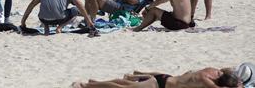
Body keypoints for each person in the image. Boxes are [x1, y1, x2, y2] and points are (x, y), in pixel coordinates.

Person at [20, 0, 96, 35]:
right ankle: (60, 28)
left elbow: (32, 4)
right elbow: (79, 4)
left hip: (43, 19)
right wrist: (88, 20)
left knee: (45, 11)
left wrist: (23, 21)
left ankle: (47, 29)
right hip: (59, 18)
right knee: (75, 10)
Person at [73, 67, 242, 88]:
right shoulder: (207, 81)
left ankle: (95, 82)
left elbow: (228, 69)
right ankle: (86, 87)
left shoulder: (213, 70)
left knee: (125, 82)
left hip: (166, 78)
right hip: (160, 84)